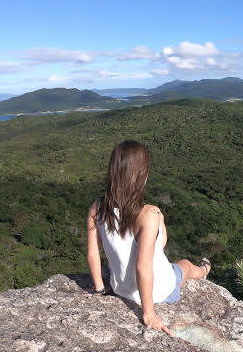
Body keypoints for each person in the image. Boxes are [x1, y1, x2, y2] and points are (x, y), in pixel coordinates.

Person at [86, 140, 211, 335]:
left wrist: (100, 289)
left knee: (174, 263)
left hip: (119, 288)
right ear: (142, 176)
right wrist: (149, 313)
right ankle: (204, 270)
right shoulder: (148, 214)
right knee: (184, 265)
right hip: (158, 291)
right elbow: (143, 266)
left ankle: (202, 269)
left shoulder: (98, 207)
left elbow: (93, 254)